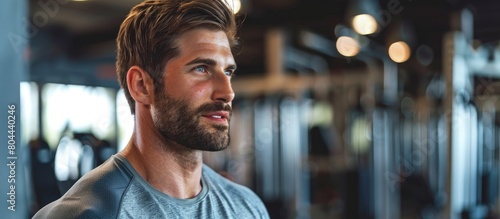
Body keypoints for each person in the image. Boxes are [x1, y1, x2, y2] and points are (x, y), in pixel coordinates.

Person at [32, 0, 269, 218]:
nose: (227, 93)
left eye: (228, 72)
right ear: (142, 86)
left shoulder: (247, 207)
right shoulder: (88, 213)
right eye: (201, 69)